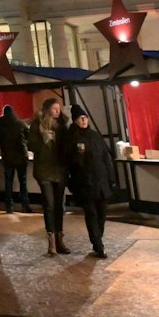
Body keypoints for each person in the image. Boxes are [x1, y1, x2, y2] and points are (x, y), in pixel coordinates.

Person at [60, 105, 116, 258]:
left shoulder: (95, 136)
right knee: (91, 213)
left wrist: (111, 178)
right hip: (85, 182)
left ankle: (98, 240)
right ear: (75, 120)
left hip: (101, 181)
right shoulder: (71, 137)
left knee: (102, 214)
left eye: (85, 117)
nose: (83, 120)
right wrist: (78, 156)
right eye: (80, 118)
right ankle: (98, 244)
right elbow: (67, 160)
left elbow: (106, 158)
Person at [29, 97, 69, 254]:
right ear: (47, 110)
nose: (58, 111)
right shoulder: (36, 125)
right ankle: (51, 241)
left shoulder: (63, 126)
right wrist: (43, 141)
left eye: (59, 109)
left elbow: (67, 146)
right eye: (54, 109)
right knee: (49, 205)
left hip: (60, 170)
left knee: (59, 205)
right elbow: (31, 145)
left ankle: (60, 238)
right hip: (44, 170)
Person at [0, 106, 29, 214]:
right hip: (21, 156)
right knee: (23, 182)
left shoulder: (0, 125)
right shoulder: (20, 123)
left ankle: (9, 206)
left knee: (8, 182)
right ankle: (25, 205)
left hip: (7, 157)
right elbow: (28, 137)